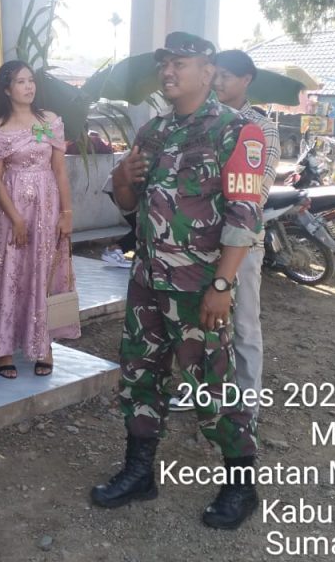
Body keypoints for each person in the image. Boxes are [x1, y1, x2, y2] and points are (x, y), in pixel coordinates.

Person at [89, 31, 265, 531]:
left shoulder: (237, 130)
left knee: (212, 385)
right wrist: (122, 177)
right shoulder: (153, 132)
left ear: (208, 72)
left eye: (179, 64)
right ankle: (139, 472)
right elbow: (129, 206)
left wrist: (223, 286)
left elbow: (244, 216)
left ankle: (241, 485)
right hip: (147, 279)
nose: (168, 72)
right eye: (165, 64)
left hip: (198, 286)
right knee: (139, 376)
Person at [0, 60, 78, 378]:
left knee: (42, 273)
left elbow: (60, 171)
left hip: (47, 210)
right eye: (20, 81)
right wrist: (15, 218)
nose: (29, 86)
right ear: (6, 89)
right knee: (7, 272)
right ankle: (2, 349)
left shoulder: (50, 121)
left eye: (31, 80)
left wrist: (66, 214)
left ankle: (44, 345)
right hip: (10, 212)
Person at [211, 49, 281, 423]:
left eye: (226, 75)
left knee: (244, 325)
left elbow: (256, 193)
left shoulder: (260, 127)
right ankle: (209, 401)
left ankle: (247, 409)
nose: (218, 81)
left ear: (246, 80)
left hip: (243, 243)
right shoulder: (205, 120)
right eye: (215, 74)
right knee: (206, 326)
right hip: (201, 242)